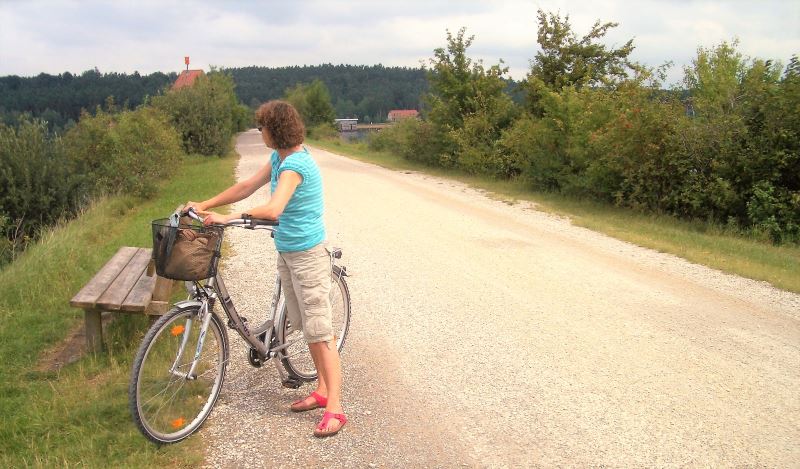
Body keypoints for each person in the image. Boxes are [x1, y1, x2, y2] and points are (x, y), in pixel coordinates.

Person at [186, 100, 346, 438]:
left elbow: (274, 209)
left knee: (320, 330)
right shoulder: (279, 158)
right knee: (305, 326)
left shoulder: (295, 165)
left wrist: (230, 217)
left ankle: (335, 408)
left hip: (308, 256)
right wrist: (205, 204)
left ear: (276, 130)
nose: (260, 133)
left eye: (262, 128)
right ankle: (320, 390)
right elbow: (246, 186)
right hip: (287, 253)